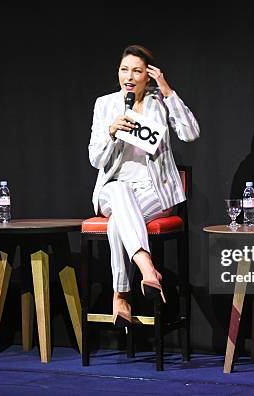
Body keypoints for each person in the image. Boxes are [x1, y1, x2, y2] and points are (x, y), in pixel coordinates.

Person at [88, 45, 199, 326]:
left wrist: (167, 91)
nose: (129, 76)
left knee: (117, 224)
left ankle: (121, 296)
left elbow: (190, 133)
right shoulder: (105, 104)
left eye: (137, 71)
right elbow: (95, 159)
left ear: (147, 76)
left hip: (154, 191)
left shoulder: (158, 101)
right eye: (124, 69)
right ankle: (147, 267)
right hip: (113, 189)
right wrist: (112, 132)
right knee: (120, 191)